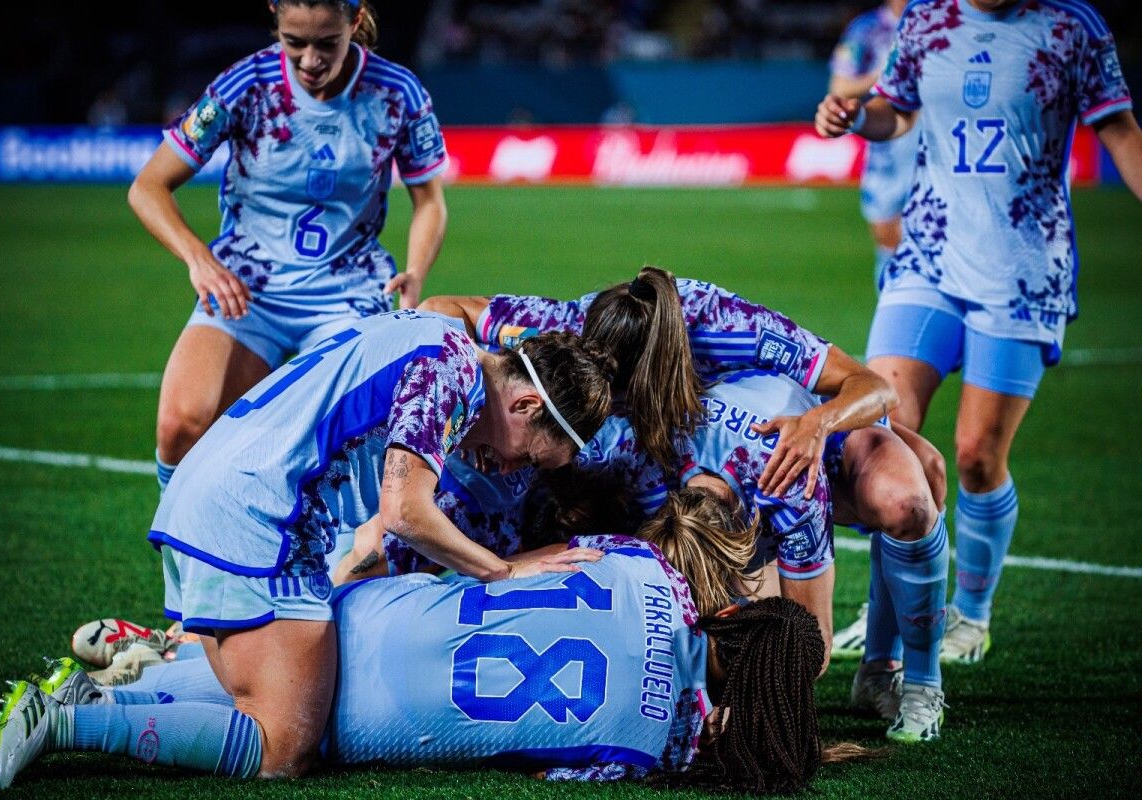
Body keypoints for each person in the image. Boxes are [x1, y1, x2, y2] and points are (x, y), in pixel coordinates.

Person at [111, 310, 614, 779]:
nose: (510, 470)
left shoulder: (436, 333)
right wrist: (503, 573)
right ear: (526, 405)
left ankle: (87, 700)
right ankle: (61, 725)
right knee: (281, 748)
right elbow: (404, 512)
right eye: (528, 458)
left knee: (261, 698)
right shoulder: (451, 370)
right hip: (259, 519)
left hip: (213, 493)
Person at [0, 541, 843, 793]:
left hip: (382, 614)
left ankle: (152, 655)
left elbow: (535, 562)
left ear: (732, 614)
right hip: (390, 719)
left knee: (278, 669)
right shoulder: (655, 750)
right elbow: (561, 770)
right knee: (282, 744)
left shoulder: (645, 566)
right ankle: (69, 717)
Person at [815, 0, 1141, 666]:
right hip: (927, 257)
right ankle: (887, 623)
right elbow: (896, 110)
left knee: (975, 457)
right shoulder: (928, 21)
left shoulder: (1071, 27)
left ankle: (972, 614)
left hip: (1018, 270)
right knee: (887, 437)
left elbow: (1120, 130)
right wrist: (855, 117)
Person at [128, 0, 449, 492]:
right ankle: (184, 557)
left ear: (355, 22)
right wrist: (201, 260)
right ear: (275, 20)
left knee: (343, 447)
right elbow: (148, 187)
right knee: (181, 426)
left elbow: (429, 201)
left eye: (327, 44)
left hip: (347, 292)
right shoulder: (245, 85)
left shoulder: (397, 92)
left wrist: (415, 273)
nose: (310, 61)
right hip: (247, 288)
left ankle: (335, 562)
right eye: (294, 43)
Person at [581, 371, 948, 743]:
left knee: (911, 500)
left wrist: (745, 702)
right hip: (739, 438)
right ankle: (876, 675)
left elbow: (812, 643)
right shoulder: (636, 457)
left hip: (817, 434)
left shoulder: (789, 486)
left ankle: (919, 680)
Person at [420, 267, 898, 495]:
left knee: (911, 486)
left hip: (761, 425)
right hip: (668, 459)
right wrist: (463, 400)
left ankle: (892, 665)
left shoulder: (724, 326)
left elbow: (873, 386)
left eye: (616, 395)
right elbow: (441, 309)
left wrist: (818, 423)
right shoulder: (564, 328)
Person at [828, 0, 916, 287]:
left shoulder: (936, 20)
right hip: (886, 146)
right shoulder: (866, 29)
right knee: (886, 234)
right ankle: (892, 299)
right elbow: (839, 87)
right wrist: (888, 75)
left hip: (933, 144)